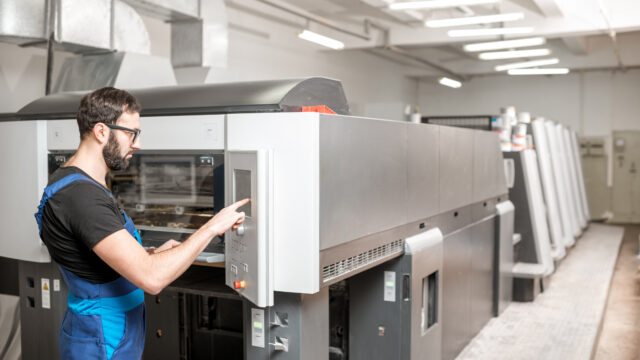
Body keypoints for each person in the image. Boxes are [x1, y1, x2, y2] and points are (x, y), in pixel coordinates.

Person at [34, 87, 248, 360]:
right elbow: (152, 278)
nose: (137, 144)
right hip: (102, 339)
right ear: (101, 131)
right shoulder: (82, 196)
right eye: (130, 133)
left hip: (103, 331)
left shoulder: (77, 182)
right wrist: (211, 227)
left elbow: (98, 258)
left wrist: (151, 255)